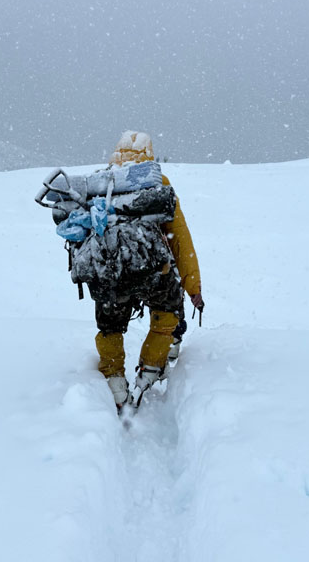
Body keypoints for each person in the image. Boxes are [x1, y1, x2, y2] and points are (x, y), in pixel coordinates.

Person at [94, 131, 204, 410]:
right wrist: (193, 288)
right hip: (152, 271)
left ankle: (116, 383)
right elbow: (180, 239)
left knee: (110, 328)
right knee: (167, 317)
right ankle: (150, 372)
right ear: (149, 154)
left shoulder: (101, 182)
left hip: (110, 273)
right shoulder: (158, 182)